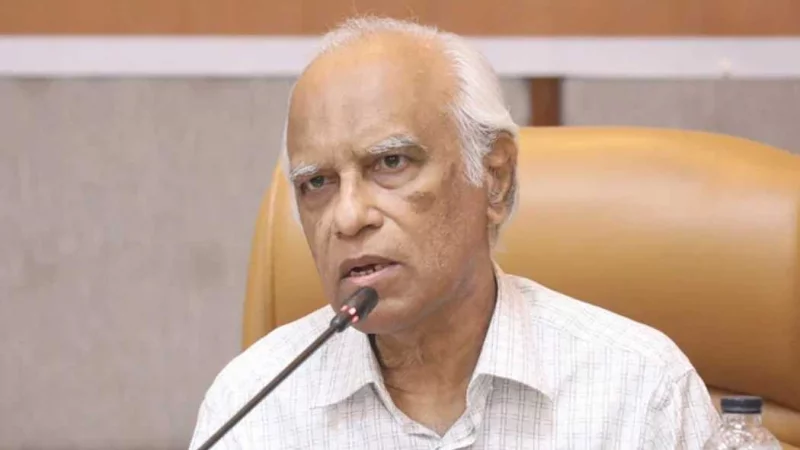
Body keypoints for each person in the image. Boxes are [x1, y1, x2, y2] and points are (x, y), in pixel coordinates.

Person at [190, 16, 720, 449]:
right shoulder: (254, 409)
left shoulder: (638, 392)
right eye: (317, 183)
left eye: (391, 162)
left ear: (494, 177)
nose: (348, 218)